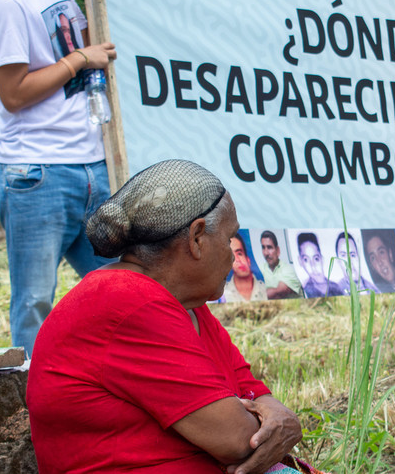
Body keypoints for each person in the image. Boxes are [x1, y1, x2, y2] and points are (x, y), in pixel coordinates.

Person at [28, 160, 303, 473]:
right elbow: (238, 439)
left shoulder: (184, 303)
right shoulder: (128, 299)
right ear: (197, 237)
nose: (234, 255)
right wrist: (272, 423)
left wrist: (283, 420)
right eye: (229, 239)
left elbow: (252, 389)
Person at [0, 0, 118, 356]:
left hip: (88, 166)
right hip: (36, 173)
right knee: (36, 301)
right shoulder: (5, 1)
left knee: (120, 289)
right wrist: (79, 59)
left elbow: (85, 49)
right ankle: (34, 408)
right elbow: (14, 92)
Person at [296, 231, 342, 297]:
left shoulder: (336, 287)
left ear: (322, 259)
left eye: (316, 259)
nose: (313, 266)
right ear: (300, 261)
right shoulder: (304, 292)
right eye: (306, 260)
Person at [224, 233, 267, 302]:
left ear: (248, 260)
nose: (237, 260)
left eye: (239, 253)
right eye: (231, 257)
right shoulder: (223, 295)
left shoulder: (267, 290)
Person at [259, 230, 302, 299]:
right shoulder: (260, 269)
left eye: (269, 247)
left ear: (277, 250)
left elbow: (278, 293)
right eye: (263, 247)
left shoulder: (288, 270)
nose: (266, 253)